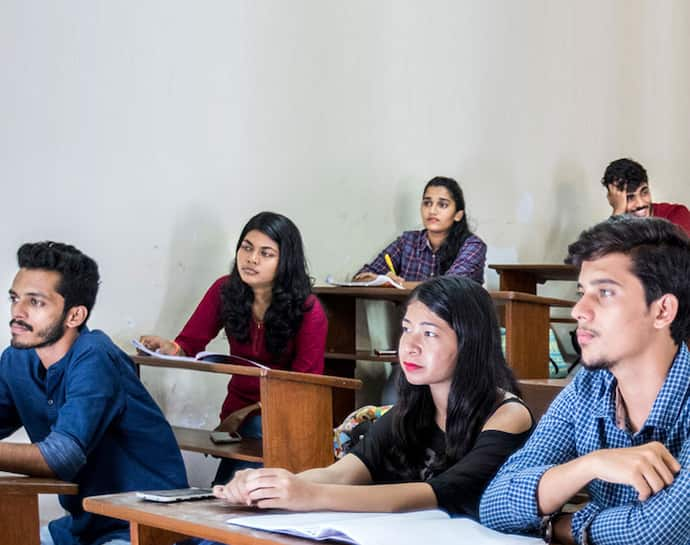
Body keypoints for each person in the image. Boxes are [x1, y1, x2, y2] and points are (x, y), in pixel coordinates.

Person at [213, 276, 533, 518]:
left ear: (470, 342)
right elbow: (341, 474)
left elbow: (443, 492)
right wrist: (270, 486)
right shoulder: (411, 410)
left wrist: (311, 495)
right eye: (407, 328)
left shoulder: (507, 415)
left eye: (430, 333)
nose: (410, 345)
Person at [480, 217, 690, 545]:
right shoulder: (587, 388)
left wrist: (567, 526)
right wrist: (590, 465)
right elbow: (494, 503)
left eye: (604, 292)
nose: (579, 310)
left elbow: (659, 532)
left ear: (662, 311)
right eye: (582, 292)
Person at [0, 241, 188, 545]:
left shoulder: (95, 356)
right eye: (14, 298)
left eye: (35, 302)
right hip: (81, 529)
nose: (17, 312)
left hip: (146, 528)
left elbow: (60, 458)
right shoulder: (16, 359)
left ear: (74, 316)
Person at [139, 211, 327, 484]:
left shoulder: (309, 310)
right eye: (247, 248)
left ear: (285, 261)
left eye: (266, 253)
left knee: (254, 441)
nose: (252, 259)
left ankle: (222, 499)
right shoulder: (224, 290)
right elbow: (189, 343)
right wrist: (170, 347)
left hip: (287, 417)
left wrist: (258, 411)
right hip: (237, 413)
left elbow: (306, 387)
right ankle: (223, 500)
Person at [353, 176, 487, 287]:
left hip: (456, 318)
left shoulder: (472, 245)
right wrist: (381, 281)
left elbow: (449, 286)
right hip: (412, 318)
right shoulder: (407, 242)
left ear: (458, 214)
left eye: (442, 205)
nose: (432, 211)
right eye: (427, 203)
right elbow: (360, 278)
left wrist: (396, 284)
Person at [600, 157, 690, 235]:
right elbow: (600, 252)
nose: (640, 204)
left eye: (644, 192)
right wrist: (618, 212)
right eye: (630, 197)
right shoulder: (618, 229)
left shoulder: (674, 213)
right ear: (616, 202)